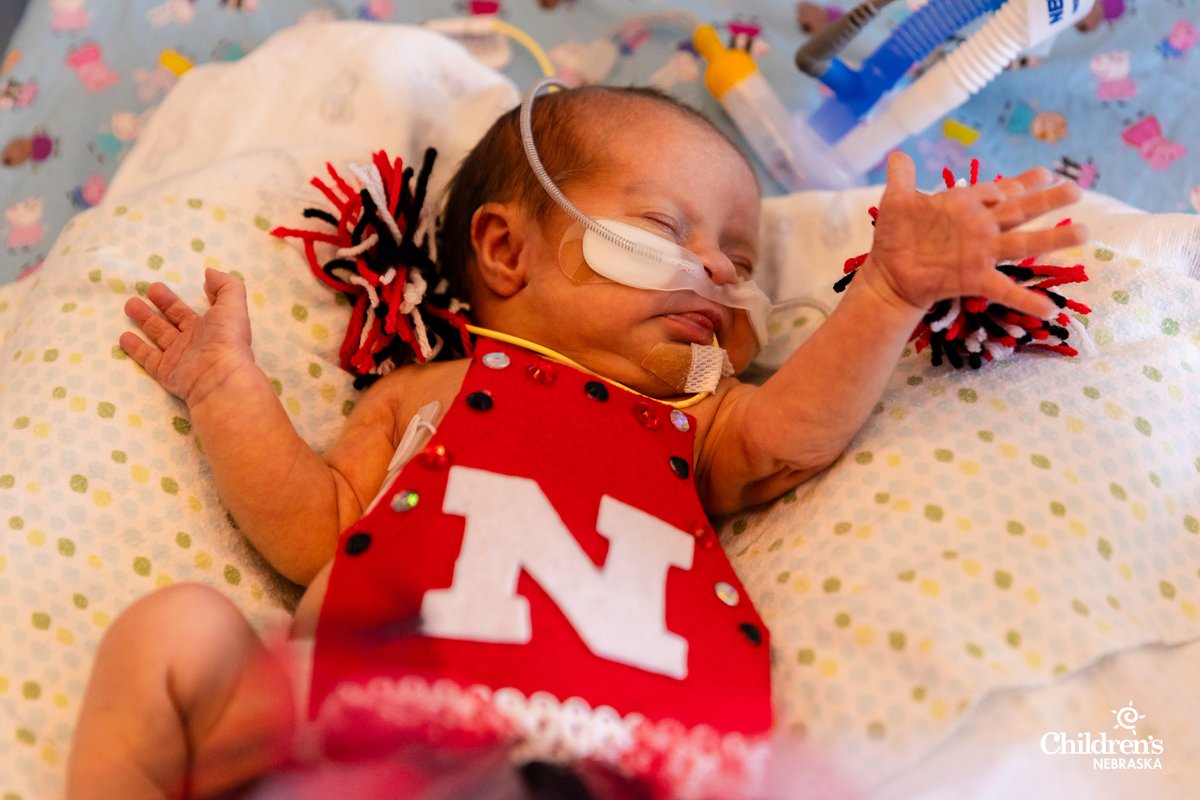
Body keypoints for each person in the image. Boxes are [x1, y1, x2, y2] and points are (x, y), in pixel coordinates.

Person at [65, 84, 1085, 800]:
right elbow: (313, 525)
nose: (714, 273)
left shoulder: (695, 418)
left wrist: (889, 293)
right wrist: (225, 386)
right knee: (177, 632)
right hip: (375, 735)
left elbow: (792, 431)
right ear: (505, 251)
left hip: (636, 763)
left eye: (737, 257)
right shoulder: (426, 395)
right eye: (666, 229)